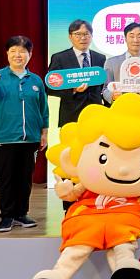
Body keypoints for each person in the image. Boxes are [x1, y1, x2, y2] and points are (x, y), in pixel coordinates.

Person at [0, 36, 49, 232]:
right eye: (13, 51)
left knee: (25, 179)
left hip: (30, 138)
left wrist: (44, 133)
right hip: (4, 138)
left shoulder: (36, 80)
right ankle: (6, 216)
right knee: (7, 179)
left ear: (30, 55)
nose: (18, 55)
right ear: (7, 54)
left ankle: (21, 213)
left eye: (22, 51)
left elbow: (43, 109)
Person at [46, 19, 107, 211]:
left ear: (91, 36)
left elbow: (103, 87)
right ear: (70, 37)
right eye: (78, 34)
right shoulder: (60, 57)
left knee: (95, 158)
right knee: (70, 160)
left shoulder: (100, 58)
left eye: (86, 34)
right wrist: (72, 90)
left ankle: (93, 201)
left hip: (95, 117)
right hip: (70, 117)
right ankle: (69, 204)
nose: (83, 38)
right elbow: (50, 86)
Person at [103, 22, 140, 113]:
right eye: (131, 36)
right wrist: (113, 96)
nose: (135, 40)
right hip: (119, 112)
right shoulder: (111, 62)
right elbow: (105, 89)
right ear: (125, 38)